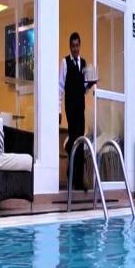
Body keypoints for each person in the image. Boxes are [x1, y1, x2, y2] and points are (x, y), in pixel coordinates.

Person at [59, 32, 96, 190]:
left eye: (77, 46)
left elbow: (83, 88)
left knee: (80, 140)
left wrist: (89, 85)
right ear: (70, 47)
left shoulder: (84, 63)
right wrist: (58, 109)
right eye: (72, 46)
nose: (75, 49)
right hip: (70, 106)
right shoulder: (65, 62)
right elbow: (60, 87)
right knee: (74, 138)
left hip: (80, 105)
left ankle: (79, 179)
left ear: (80, 46)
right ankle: (72, 177)